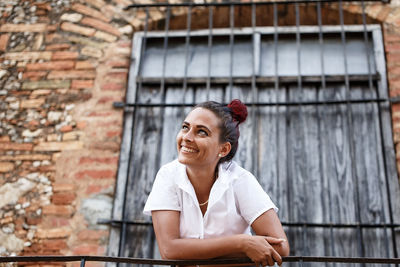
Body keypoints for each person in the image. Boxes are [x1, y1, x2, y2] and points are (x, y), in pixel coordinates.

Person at [143, 100, 289, 266]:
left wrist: (191, 253)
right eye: (185, 127)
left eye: (202, 132)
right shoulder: (168, 176)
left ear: (223, 149)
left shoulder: (240, 180)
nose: (187, 137)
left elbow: (280, 247)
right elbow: (169, 250)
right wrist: (242, 243)